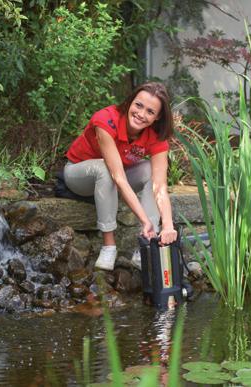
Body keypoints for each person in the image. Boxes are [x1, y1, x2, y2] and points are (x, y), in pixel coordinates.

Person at [63, 81, 177, 271]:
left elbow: (160, 186)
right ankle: (109, 247)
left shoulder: (156, 136)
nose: (141, 114)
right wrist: (143, 219)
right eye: (138, 105)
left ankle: (147, 244)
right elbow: (118, 177)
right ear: (130, 102)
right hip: (79, 175)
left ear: (157, 117)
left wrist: (167, 225)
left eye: (150, 112)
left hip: (114, 180)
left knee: (150, 169)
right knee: (104, 168)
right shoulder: (106, 120)